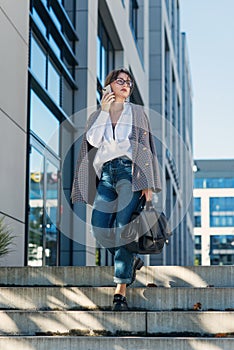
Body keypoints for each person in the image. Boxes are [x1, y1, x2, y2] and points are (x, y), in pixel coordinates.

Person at [71, 68, 161, 311]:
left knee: (124, 228)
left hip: (130, 174)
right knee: (99, 227)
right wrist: (103, 112)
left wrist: (148, 182)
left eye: (128, 82)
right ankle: (130, 262)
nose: (125, 85)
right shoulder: (96, 116)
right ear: (109, 86)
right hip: (107, 177)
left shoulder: (137, 113)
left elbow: (145, 147)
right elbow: (93, 142)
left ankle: (120, 290)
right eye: (120, 81)